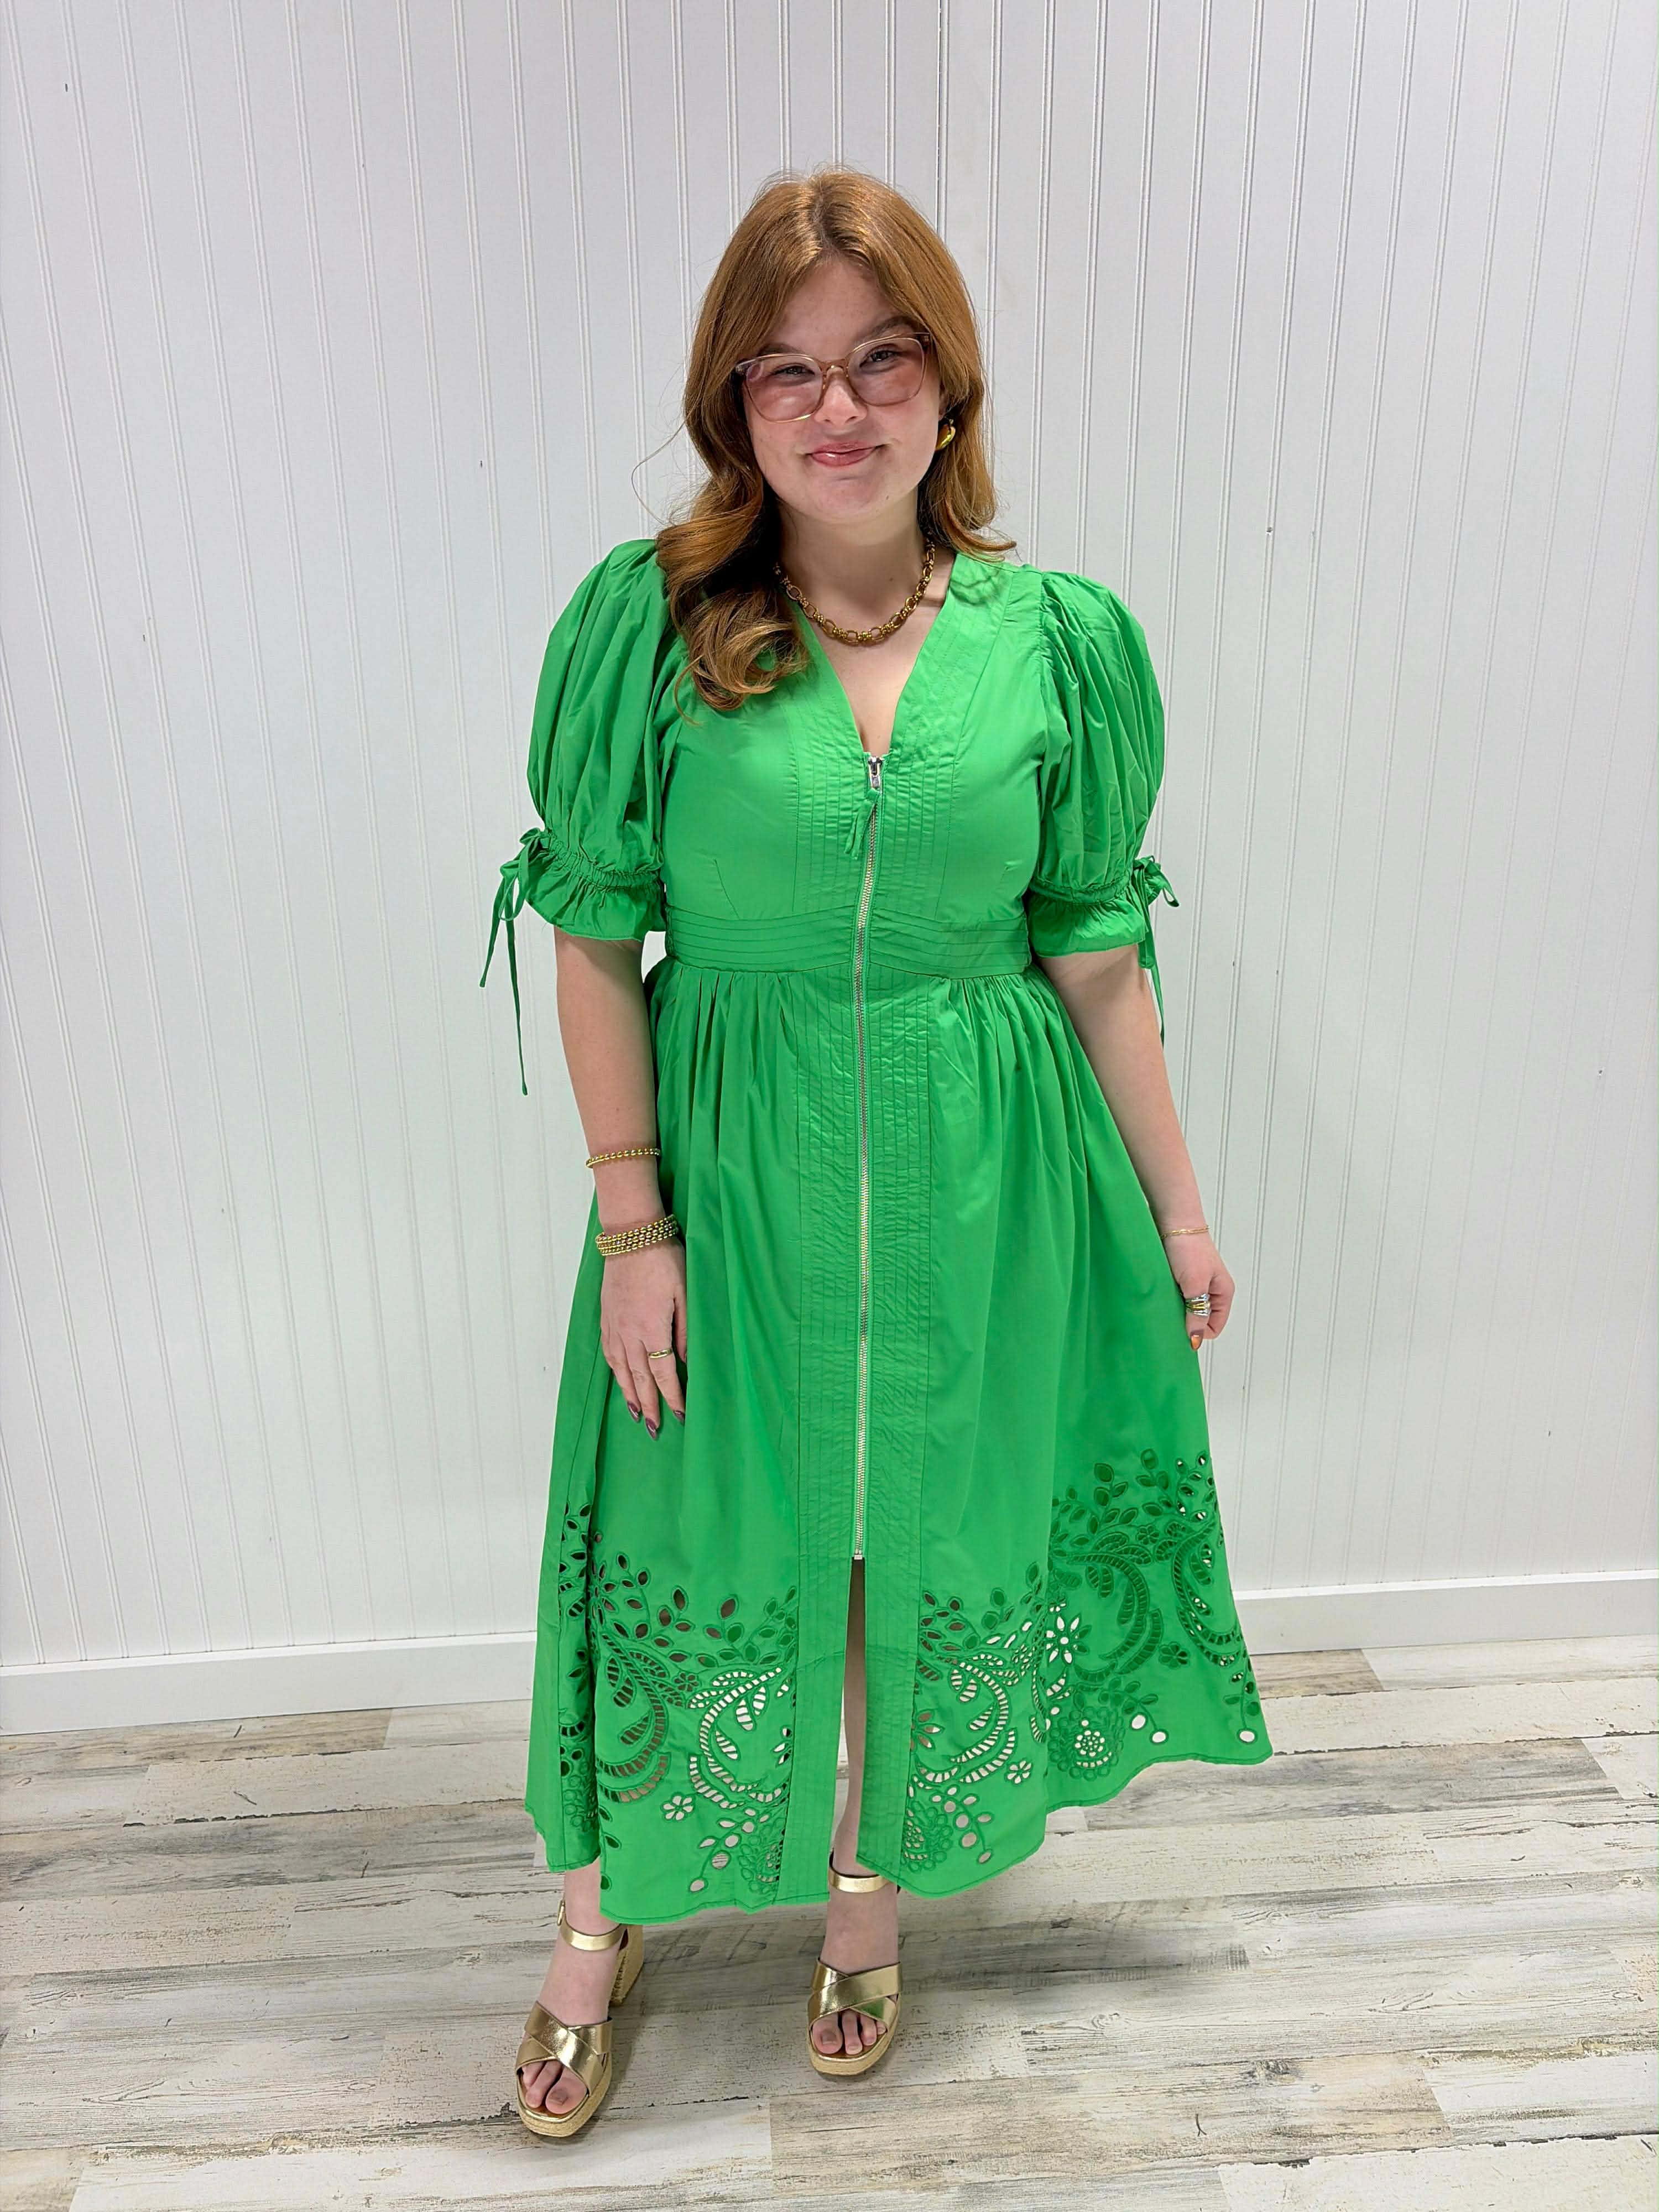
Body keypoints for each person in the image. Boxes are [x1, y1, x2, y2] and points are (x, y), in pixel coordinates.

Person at [481, 166, 1274, 2141]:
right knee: (664, 1526)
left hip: (981, 1178)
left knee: (901, 1534)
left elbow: (1095, 953)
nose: (838, 409)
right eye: (788, 372)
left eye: (880, 360)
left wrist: (1178, 1206)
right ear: (734, 407)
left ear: (948, 384)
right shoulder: (651, 626)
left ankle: (867, 1887)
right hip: (727, 1168)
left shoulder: (1054, 640)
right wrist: (634, 1225)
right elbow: (592, 940)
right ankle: (595, 1916)